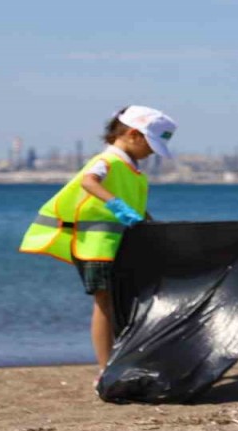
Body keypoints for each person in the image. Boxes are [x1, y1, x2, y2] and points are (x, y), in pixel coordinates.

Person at [19, 105, 177, 377]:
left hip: (116, 245)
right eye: (150, 146)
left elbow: (136, 208)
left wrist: (152, 226)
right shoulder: (107, 161)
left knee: (121, 302)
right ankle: (106, 370)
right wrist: (115, 205)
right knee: (105, 303)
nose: (151, 153)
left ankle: (123, 359)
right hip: (95, 246)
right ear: (133, 135)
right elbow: (90, 182)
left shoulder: (132, 169)